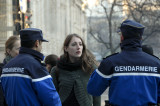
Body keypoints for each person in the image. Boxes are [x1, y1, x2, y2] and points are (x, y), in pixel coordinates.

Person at [87, 20, 160, 105]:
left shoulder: (110, 63)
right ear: (141, 39)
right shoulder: (156, 64)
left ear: (122, 38)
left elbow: (93, 89)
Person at [1, 28, 61, 106]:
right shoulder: (35, 66)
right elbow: (51, 99)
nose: (41, 47)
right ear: (37, 43)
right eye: (41, 43)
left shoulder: (7, 67)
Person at [50, 34, 101, 106]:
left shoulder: (91, 68)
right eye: (74, 44)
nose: (78, 47)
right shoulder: (56, 70)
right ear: (66, 48)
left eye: (80, 44)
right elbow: (53, 96)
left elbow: (96, 95)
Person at [0, 35, 20, 106]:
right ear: (9, 51)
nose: (21, 52)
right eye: (18, 49)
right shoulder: (1, 70)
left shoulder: (26, 67)